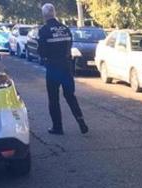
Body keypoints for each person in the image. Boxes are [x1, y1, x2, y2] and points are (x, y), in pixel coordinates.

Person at [38, 3, 89, 135]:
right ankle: (81, 121)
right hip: (66, 68)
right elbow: (69, 46)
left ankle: (57, 127)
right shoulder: (65, 29)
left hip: (53, 69)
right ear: (54, 13)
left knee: (53, 99)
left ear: (44, 15)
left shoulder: (44, 30)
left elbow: (41, 52)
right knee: (70, 96)